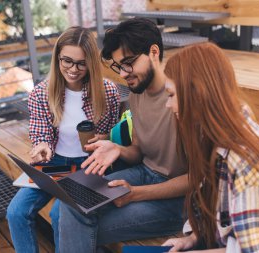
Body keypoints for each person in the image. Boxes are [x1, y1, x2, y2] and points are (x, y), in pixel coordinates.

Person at [58, 18, 188, 252]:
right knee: (69, 199)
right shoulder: (137, 92)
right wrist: (117, 148)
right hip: (145, 173)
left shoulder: (180, 95)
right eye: (119, 66)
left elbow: (199, 178)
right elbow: (138, 151)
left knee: (81, 224)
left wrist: (136, 194)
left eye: (128, 63)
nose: (124, 73)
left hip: (178, 200)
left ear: (154, 52)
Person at [162, 42, 259, 252]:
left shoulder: (252, 171)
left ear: (197, 93)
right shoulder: (214, 140)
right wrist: (191, 239)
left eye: (171, 95)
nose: (168, 105)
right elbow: (220, 220)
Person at [6, 26, 120, 253]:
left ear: (91, 63)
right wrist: (42, 146)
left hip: (89, 165)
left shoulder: (107, 91)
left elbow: (111, 135)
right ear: (57, 57)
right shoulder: (41, 93)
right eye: (66, 60)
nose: (73, 69)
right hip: (55, 162)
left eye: (81, 63)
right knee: (16, 212)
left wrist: (105, 138)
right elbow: (41, 135)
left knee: (60, 215)